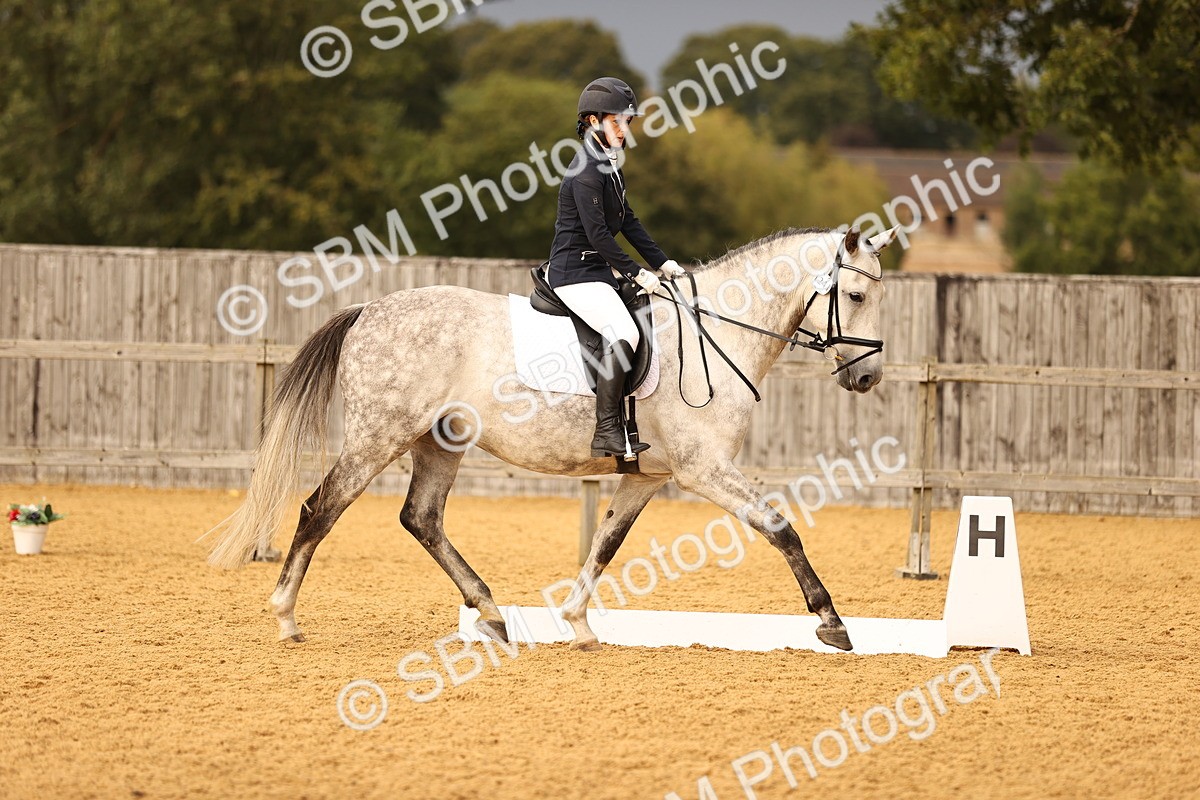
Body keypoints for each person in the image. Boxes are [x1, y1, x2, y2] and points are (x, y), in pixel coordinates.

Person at [546, 76, 687, 458]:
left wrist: (663, 262)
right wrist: (637, 273)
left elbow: (627, 221)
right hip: (573, 273)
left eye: (627, 122)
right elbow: (598, 238)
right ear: (593, 121)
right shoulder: (586, 170)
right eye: (617, 122)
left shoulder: (609, 164)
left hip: (596, 273)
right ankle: (606, 430)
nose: (624, 130)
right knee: (625, 331)